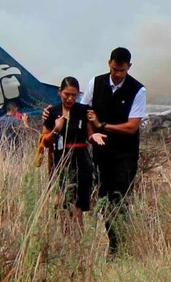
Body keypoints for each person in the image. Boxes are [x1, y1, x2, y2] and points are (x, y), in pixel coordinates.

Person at [81, 47, 147, 254]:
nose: (117, 74)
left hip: (125, 154)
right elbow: (86, 112)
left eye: (122, 70)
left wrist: (103, 126)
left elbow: (132, 126)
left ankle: (120, 245)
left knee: (119, 198)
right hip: (102, 153)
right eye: (115, 68)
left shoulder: (138, 90)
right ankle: (113, 242)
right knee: (103, 198)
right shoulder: (96, 83)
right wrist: (92, 134)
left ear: (129, 67)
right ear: (109, 62)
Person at [40, 77, 106, 232]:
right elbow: (45, 141)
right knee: (61, 201)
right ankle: (65, 236)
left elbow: (89, 134)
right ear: (59, 92)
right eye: (66, 94)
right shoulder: (51, 112)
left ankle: (78, 239)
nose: (70, 98)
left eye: (74, 95)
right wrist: (57, 129)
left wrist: (94, 137)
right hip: (60, 159)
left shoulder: (83, 110)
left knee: (77, 203)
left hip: (80, 158)